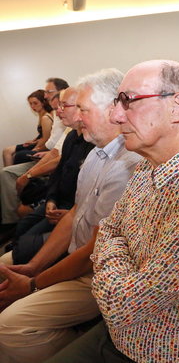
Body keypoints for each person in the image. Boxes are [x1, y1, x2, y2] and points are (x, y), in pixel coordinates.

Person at [46, 60, 179, 363]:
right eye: (118, 102)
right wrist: (116, 251)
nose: (116, 116)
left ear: (177, 107)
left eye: (129, 101)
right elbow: (110, 229)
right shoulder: (148, 164)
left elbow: (122, 305)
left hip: (167, 349)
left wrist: (109, 249)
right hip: (128, 335)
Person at [0, 68, 140, 363]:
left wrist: (35, 283)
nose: (75, 117)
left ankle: (87, 344)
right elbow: (76, 214)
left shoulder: (129, 164)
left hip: (98, 273)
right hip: (76, 259)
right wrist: (35, 267)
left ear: (113, 110)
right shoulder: (95, 153)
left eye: (83, 110)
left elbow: (97, 248)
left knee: (11, 326)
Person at [3, 87, 95, 265]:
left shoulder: (93, 143)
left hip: (71, 208)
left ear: (80, 109)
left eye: (63, 106)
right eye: (58, 105)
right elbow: (58, 173)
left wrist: (72, 214)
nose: (57, 111)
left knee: (26, 242)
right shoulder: (70, 138)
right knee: (22, 227)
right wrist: (51, 199)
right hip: (58, 202)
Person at [0, 78, 68, 239]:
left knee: (11, 164)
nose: (46, 96)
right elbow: (54, 149)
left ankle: (12, 218)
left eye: (49, 93)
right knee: (14, 158)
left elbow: (56, 153)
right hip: (48, 156)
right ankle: (12, 211)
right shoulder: (59, 118)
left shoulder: (57, 121)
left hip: (55, 165)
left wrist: (29, 174)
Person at [2, 90, 53, 166]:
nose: (32, 106)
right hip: (39, 143)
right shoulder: (41, 115)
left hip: (44, 146)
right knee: (7, 151)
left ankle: (9, 173)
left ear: (43, 102)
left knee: (11, 153)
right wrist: (34, 141)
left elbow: (46, 139)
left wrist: (36, 148)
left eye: (35, 103)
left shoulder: (45, 117)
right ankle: (8, 173)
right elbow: (42, 135)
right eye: (30, 104)